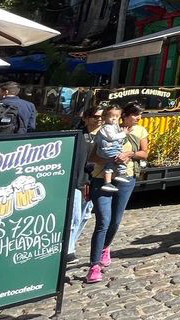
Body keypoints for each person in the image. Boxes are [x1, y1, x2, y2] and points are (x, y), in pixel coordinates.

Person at [85, 102, 148, 283]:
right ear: (122, 116)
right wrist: (108, 158)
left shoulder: (140, 132)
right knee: (103, 220)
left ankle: (105, 247)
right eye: (135, 114)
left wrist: (129, 155)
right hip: (101, 178)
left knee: (115, 220)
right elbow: (91, 156)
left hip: (125, 179)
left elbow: (144, 153)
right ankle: (94, 265)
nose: (138, 118)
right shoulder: (103, 131)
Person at [66, 106, 103, 256]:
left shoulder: (104, 136)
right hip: (79, 180)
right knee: (74, 216)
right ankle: (69, 251)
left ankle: (71, 244)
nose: (99, 119)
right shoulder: (79, 136)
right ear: (86, 118)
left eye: (101, 117)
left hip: (95, 180)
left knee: (86, 214)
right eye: (95, 116)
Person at [93, 106, 128, 194]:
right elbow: (112, 137)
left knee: (109, 166)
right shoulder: (107, 127)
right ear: (105, 117)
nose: (114, 118)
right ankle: (121, 173)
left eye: (117, 116)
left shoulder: (113, 126)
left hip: (107, 150)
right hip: (108, 149)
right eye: (111, 116)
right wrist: (123, 133)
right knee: (120, 159)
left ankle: (107, 183)